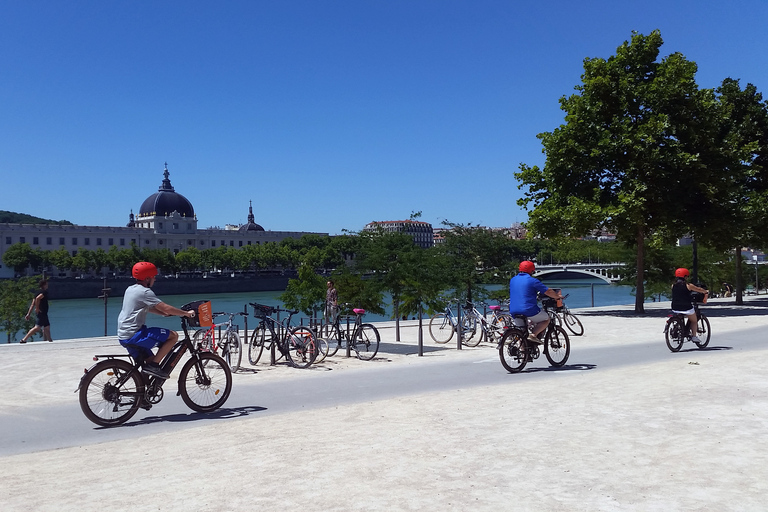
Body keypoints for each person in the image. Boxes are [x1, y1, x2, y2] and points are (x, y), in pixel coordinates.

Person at [117, 262, 195, 379]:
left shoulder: (130, 289)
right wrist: (186, 313)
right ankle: (154, 366)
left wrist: (163, 314)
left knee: (149, 360)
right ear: (147, 278)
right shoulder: (144, 292)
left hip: (124, 335)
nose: (155, 279)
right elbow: (165, 307)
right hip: (135, 335)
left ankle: (142, 392)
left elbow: (147, 307)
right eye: (153, 277)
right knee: (173, 336)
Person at [508, 261, 563, 344]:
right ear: (532, 270)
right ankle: (533, 335)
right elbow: (547, 291)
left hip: (513, 310)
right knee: (546, 319)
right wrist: (557, 297)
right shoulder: (533, 281)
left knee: (522, 333)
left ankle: (524, 353)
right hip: (528, 310)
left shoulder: (513, 280)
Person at [671, 268, 709, 343]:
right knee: (694, 320)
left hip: (675, 307)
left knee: (680, 315)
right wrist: (705, 291)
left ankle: (679, 328)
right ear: (685, 276)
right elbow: (698, 289)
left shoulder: (673, 285)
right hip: (686, 307)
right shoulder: (688, 285)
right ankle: (694, 337)